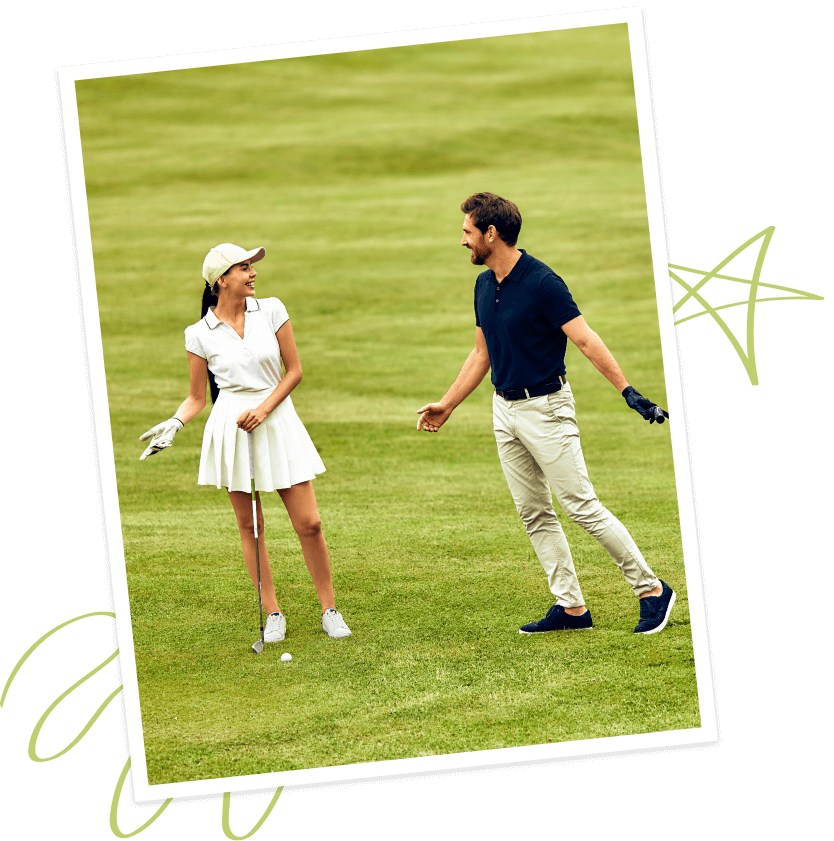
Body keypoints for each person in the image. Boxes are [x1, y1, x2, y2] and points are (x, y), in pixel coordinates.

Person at [417, 193, 675, 635]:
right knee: (534, 512)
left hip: (547, 409)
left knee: (581, 506)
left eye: (467, 232)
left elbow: (586, 339)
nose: (462, 240)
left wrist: (627, 391)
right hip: (505, 410)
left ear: (491, 234)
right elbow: (481, 354)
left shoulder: (543, 283)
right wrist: (448, 404)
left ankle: (651, 589)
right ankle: (572, 608)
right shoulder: (483, 285)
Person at [139, 243, 351, 642]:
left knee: (310, 524)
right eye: (244, 267)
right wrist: (176, 423)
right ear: (221, 280)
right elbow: (197, 397)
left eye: (252, 266)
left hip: (277, 418)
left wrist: (264, 409)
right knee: (251, 526)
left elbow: (294, 371)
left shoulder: (271, 309)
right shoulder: (198, 334)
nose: (253, 273)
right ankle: (272, 613)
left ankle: (330, 609)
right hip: (232, 427)